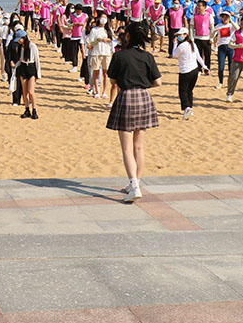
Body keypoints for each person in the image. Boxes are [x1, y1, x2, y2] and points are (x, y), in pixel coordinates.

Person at [106, 23, 161, 203]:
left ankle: (134, 186)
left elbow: (113, 79)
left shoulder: (120, 55)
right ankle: (135, 182)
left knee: (127, 147)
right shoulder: (147, 56)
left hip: (127, 96)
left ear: (127, 36)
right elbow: (158, 82)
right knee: (139, 146)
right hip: (144, 97)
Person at [172, 28, 206, 120]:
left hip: (185, 71)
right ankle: (190, 108)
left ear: (185, 35)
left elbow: (174, 55)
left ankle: (187, 107)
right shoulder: (193, 44)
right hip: (194, 70)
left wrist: (174, 43)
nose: (178, 37)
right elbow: (198, 57)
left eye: (180, 35)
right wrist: (204, 66)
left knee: (182, 91)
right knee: (189, 90)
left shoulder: (182, 46)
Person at [11, 29, 41, 119]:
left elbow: (37, 60)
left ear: (24, 38)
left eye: (20, 39)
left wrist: (38, 74)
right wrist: (15, 66)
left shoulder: (32, 46)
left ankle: (34, 110)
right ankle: (27, 109)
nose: (19, 41)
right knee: (24, 92)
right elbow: (20, 60)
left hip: (31, 68)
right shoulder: (20, 47)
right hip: (23, 68)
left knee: (31, 91)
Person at [84, 14, 114, 102]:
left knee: (106, 74)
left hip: (106, 53)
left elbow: (112, 40)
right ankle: (97, 91)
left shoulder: (108, 30)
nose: (103, 19)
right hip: (96, 53)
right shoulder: (94, 30)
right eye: (102, 17)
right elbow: (90, 44)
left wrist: (106, 39)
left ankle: (104, 92)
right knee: (96, 73)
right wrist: (97, 41)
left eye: (105, 18)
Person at [212, 11, 236, 89]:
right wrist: (214, 31)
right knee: (221, 67)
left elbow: (238, 28)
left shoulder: (231, 25)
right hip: (221, 47)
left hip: (231, 47)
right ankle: (220, 82)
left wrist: (231, 20)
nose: (225, 18)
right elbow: (211, 35)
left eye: (226, 17)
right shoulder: (219, 25)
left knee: (231, 66)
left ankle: (230, 82)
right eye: (223, 16)